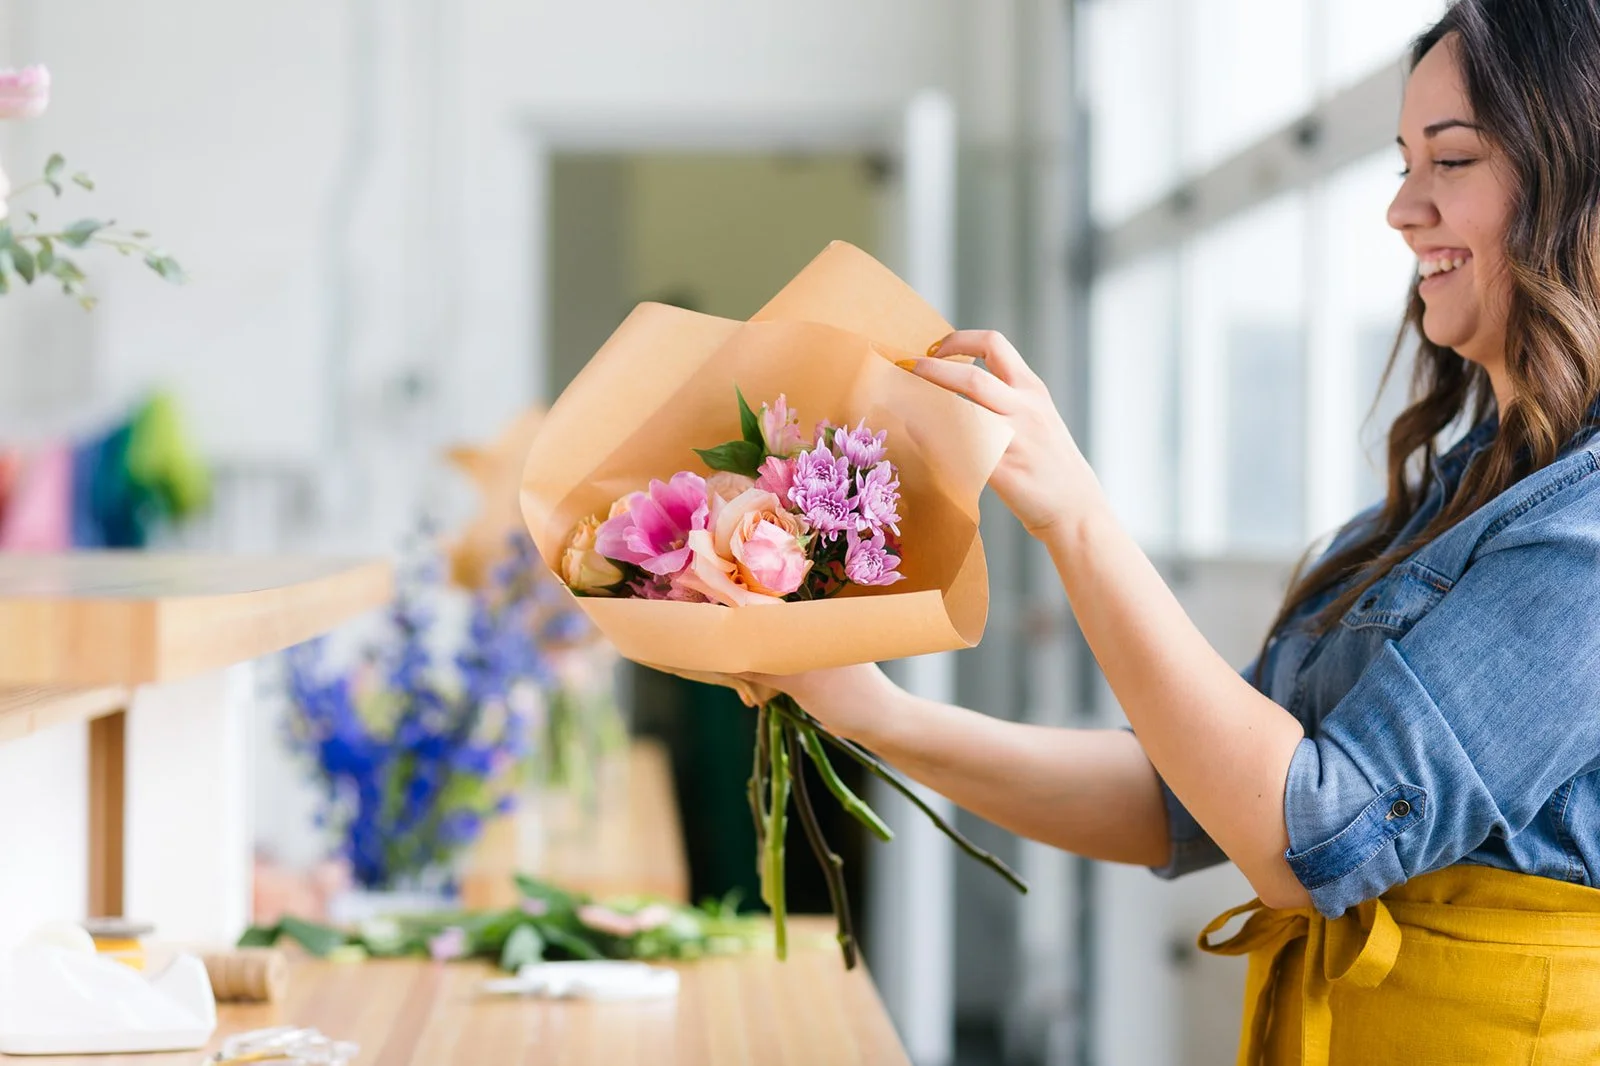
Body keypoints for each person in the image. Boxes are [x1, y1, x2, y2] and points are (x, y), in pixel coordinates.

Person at [746, 1, 1600, 1061]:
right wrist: (865, 709)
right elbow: (1181, 801)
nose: (1402, 210)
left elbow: (1303, 837)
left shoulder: (1586, 533)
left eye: (1452, 159)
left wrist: (1077, 516)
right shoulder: (1455, 491)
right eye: (1399, 164)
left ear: (1578, 180)